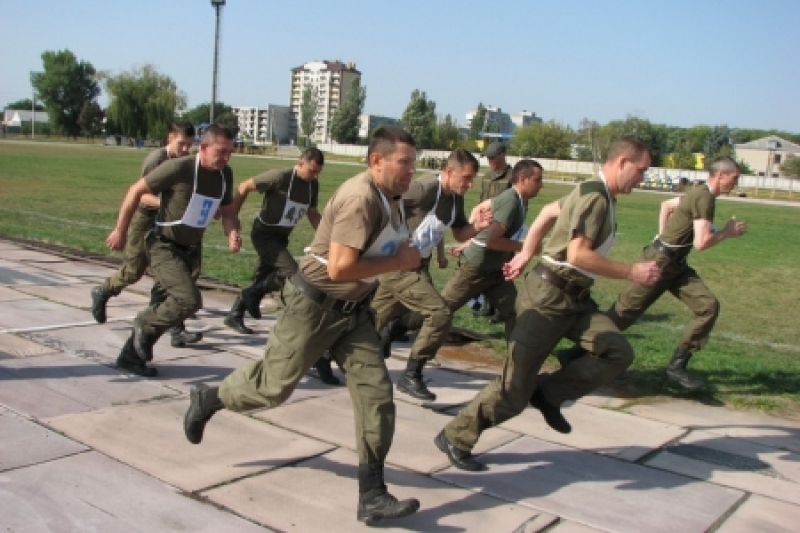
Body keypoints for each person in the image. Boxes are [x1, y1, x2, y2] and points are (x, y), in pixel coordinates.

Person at [183, 126, 422, 525]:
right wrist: (400, 262)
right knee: (272, 388)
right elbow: (341, 268)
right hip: (312, 307)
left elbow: (385, 248)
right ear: (376, 161)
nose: (411, 171)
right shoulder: (360, 198)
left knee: (377, 394)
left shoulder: (391, 196)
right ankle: (210, 399)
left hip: (353, 312)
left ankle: (373, 494)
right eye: (405, 163)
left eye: (414, 164)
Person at [434, 137, 662, 472]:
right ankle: (456, 435)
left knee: (617, 351)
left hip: (576, 299)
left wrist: (527, 250)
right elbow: (578, 254)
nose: (642, 178)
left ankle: (549, 394)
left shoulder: (593, 191)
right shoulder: (594, 197)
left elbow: (547, 212)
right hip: (548, 299)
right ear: (623, 162)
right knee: (514, 390)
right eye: (641, 170)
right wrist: (632, 272)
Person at [555, 156, 746, 390]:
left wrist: (664, 238)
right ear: (721, 175)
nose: (735, 183)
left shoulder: (699, 193)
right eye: (734, 178)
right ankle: (574, 355)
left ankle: (676, 368)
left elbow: (666, 206)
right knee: (623, 314)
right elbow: (702, 242)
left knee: (708, 306)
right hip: (660, 263)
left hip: (676, 265)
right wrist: (727, 232)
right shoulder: (704, 197)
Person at [105, 125, 241, 377]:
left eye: (230, 153)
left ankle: (130, 358)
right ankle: (143, 324)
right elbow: (136, 191)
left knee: (164, 304)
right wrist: (120, 231)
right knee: (188, 300)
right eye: (221, 152)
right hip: (164, 246)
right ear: (203, 147)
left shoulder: (225, 174)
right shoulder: (181, 168)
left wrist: (231, 232)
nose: (225, 158)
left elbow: (229, 211)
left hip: (191, 249)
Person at [371, 149, 493, 401]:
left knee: (372, 319)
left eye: (473, 180)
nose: (470, 185)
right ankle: (411, 375)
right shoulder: (424, 189)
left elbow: (459, 233)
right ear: (449, 172)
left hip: (418, 266)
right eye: (466, 179)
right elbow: (382, 199)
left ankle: (331, 352)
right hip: (398, 266)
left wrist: (477, 227)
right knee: (440, 314)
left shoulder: (455, 199)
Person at [223, 147, 340, 384]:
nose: (314, 176)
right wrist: (232, 215)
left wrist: (328, 238)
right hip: (264, 234)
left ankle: (236, 313)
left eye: (318, 173)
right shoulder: (280, 177)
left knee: (262, 275)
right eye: (311, 171)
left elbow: (313, 213)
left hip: (281, 236)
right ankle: (251, 295)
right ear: (300, 163)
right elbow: (245, 186)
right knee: (293, 275)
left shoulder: (311, 186)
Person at [91, 121, 203, 347]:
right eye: (181, 143)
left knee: (176, 273)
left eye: (190, 145)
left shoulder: (187, 163)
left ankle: (174, 326)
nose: (185, 149)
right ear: (170, 137)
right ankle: (103, 291)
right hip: (147, 220)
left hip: (169, 225)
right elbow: (141, 195)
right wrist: (167, 204)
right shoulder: (156, 160)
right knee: (135, 270)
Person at [470, 140, 514, 320]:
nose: (490, 162)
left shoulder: (512, 177)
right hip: (486, 225)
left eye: (493, 158)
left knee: (501, 268)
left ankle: (501, 309)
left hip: (503, 227)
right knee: (486, 266)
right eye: (488, 158)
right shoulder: (487, 176)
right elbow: (482, 200)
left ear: (503, 155)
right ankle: (487, 305)